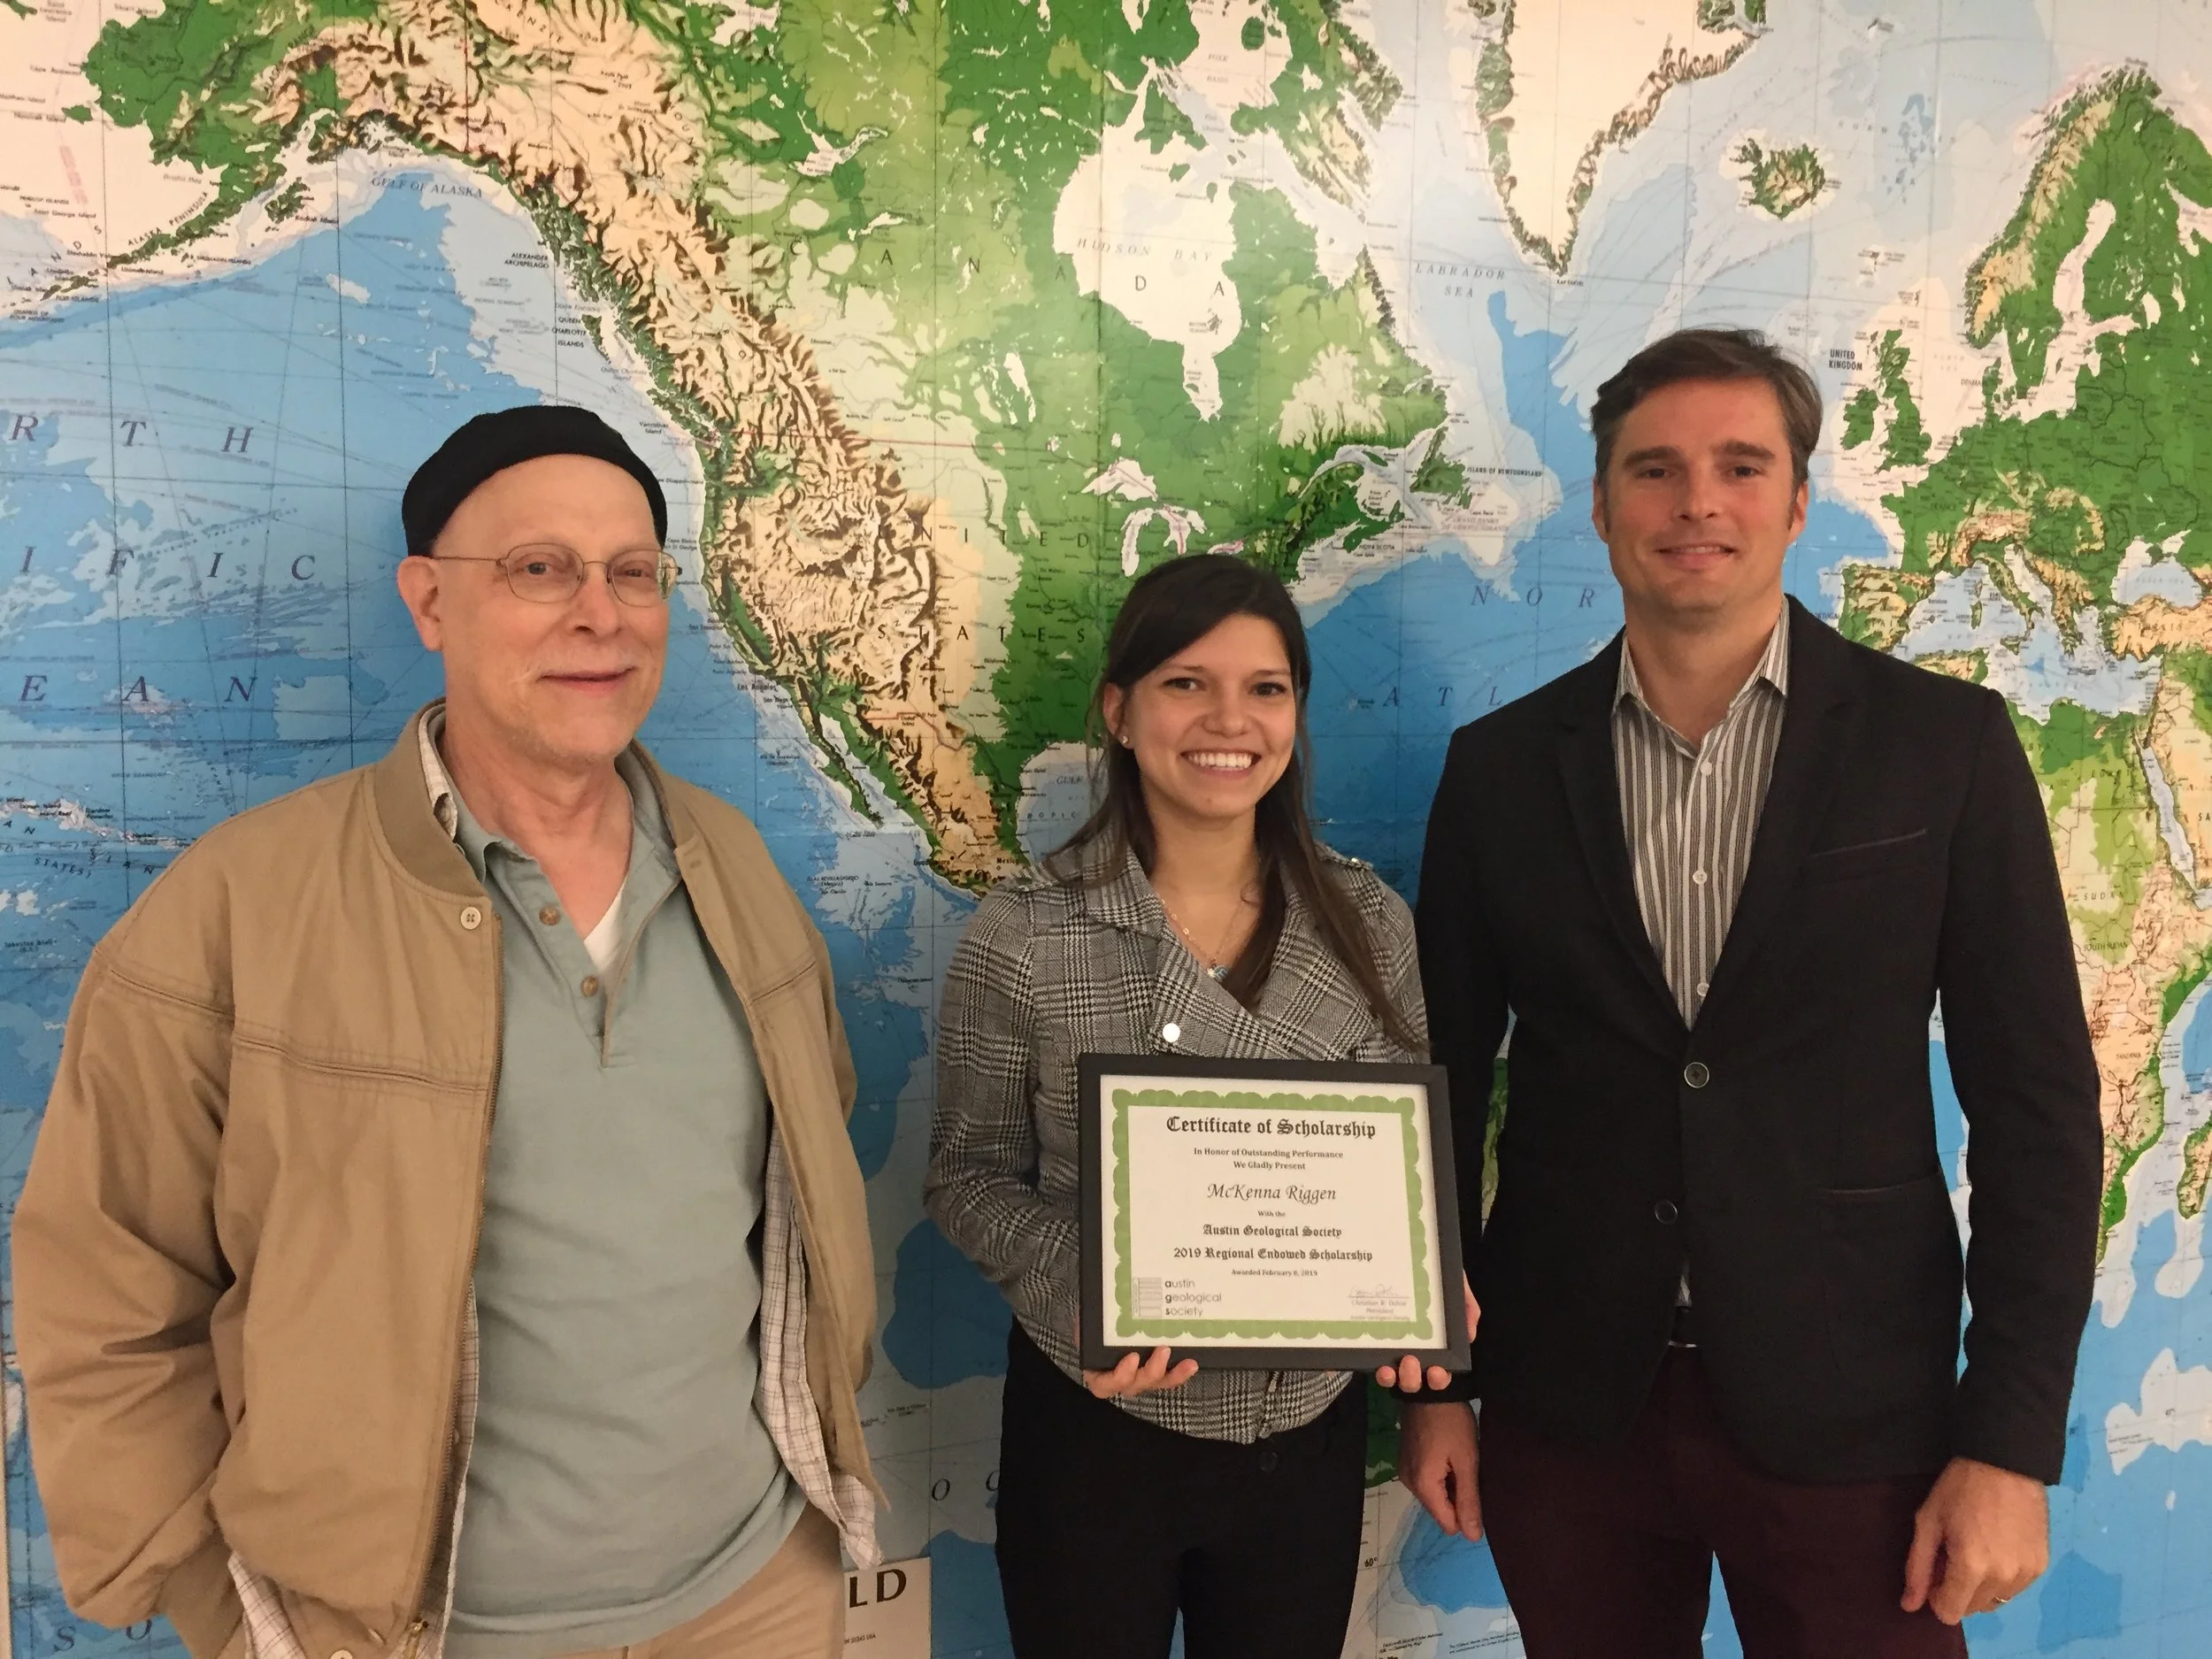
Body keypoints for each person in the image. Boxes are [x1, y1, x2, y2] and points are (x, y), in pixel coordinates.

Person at [14, 405, 880, 1659]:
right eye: (540, 569)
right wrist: (218, 1598)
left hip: (753, 1594)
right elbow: (107, 1281)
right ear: (429, 600)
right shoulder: (240, 906)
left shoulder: (734, 867)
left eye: (634, 572)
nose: (602, 612)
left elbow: (810, 1161)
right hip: (410, 1633)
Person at [1401, 328, 2102, 1657]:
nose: (1698, 503)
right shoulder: (1496, 772)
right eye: (1655, 470)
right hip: (1570, 1412)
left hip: (1855, 1415)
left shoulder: (1942, 750)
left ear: (1797, 497)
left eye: (1740, 465)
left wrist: (2011, 1443)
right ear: (1604, 507)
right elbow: (1434, 1093)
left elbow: (2040, 1111)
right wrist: (1441, 1385)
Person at [927, 554, 1463, 1659]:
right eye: (1186, 683)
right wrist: (1081, 1285)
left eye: (1266, 688)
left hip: (1301, 1447)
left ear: (1295, 715)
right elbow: (966, 1175)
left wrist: (1420, 1294)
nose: (1230, 720)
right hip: (1095, 1435)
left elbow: (1406, 1167)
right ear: (1120, 713)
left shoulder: (1369, 923)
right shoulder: (1026, 931)